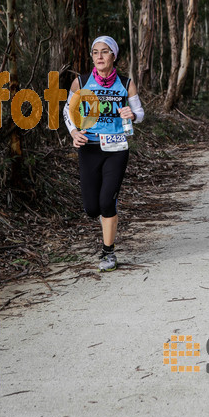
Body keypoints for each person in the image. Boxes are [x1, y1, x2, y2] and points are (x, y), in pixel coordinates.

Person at [63, 36, 144, 271]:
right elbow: (68, 111)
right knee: (91, 208)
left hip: (117, 148)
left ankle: (108, 252)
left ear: (114, 56)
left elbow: (140, 113)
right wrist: (74, 132)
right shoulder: (82, 82)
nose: (99, 56)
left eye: (105, 52)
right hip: (89, 147)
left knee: (107, 202)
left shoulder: (126, 83)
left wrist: (133, 115)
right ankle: (105, 213)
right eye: (95, 52)